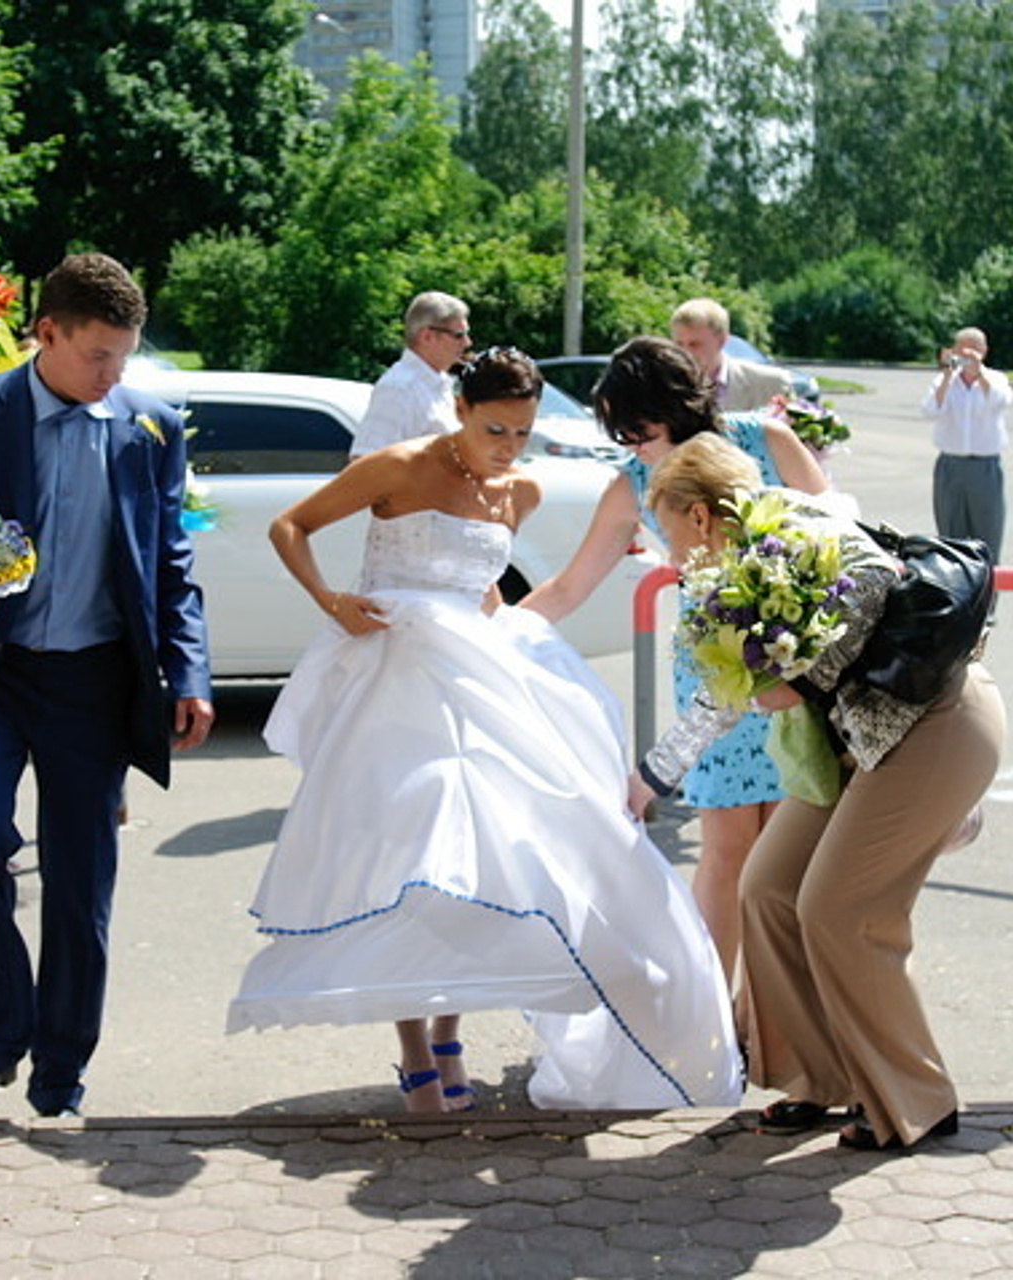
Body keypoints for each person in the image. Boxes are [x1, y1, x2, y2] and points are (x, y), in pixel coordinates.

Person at [228, 347, 741, 1114]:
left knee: (483, 860)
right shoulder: (398, 466)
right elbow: (288, 526)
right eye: (496, 428)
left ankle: (446, 1030)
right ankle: (412, 1047)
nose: (508, 448)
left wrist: (517, 645)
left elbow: (492, 599)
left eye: (524, 434)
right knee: (407, 848)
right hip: (393, 673)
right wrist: (333, 601)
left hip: (475, 675)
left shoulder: (520, 490)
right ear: (460, 409)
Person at [630, 432, 1004, 1152]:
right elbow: (724, 698)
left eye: (668, 528)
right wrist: (646, 781)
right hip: (858, 744)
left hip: (936, 725)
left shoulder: (797, 530)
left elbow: (870, 580)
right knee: (766, 889)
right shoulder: (732, 575)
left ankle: (914, 1097)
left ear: (701, 516)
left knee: (838, 907)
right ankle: (819, 1077)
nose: (667, 550)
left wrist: (792, 673)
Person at [0, 252, 214, 1117]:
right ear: (46, 333)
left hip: (93, 681)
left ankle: (60, 1072)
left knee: (82, 884)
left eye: (124, 357)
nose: (114, 374)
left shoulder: (151, 426)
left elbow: (172, 563)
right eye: (98, 356)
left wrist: (187, 671)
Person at [520, 337, 826, 981]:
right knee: (726, 850)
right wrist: (494, 635)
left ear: (676, 408)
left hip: (803, 658)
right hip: (717, 662)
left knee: (791, 857)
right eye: (621, 435)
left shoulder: (768, 440)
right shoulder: (631, 483)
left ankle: (773, 1022)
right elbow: (571, 586)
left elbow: (837, 538)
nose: (633, 447)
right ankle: (712, 1008)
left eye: (639, 430)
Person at [921, 326, 1011, 562]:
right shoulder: (944, 380)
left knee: (988, 535)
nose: (968, 354)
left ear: (984, 351)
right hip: (951, 465)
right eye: (963, 349)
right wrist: (948, 373)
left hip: (985, 466)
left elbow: (1000, 402)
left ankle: (987, 594)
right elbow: (930, 411)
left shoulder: (996, 379)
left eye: (974, 349)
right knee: (951, 538)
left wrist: (978, 373)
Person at [347, 291, 472, 458]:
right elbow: (366, 461)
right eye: (459, 335)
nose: (467, 343)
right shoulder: (399, 388)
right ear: (427, 336)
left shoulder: (438, 385)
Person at [670, 298, 790, 412]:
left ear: (721, 341)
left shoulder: (770, 384)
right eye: (679, 344)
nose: (685, 352)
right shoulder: (664, 386)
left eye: (694, 344)